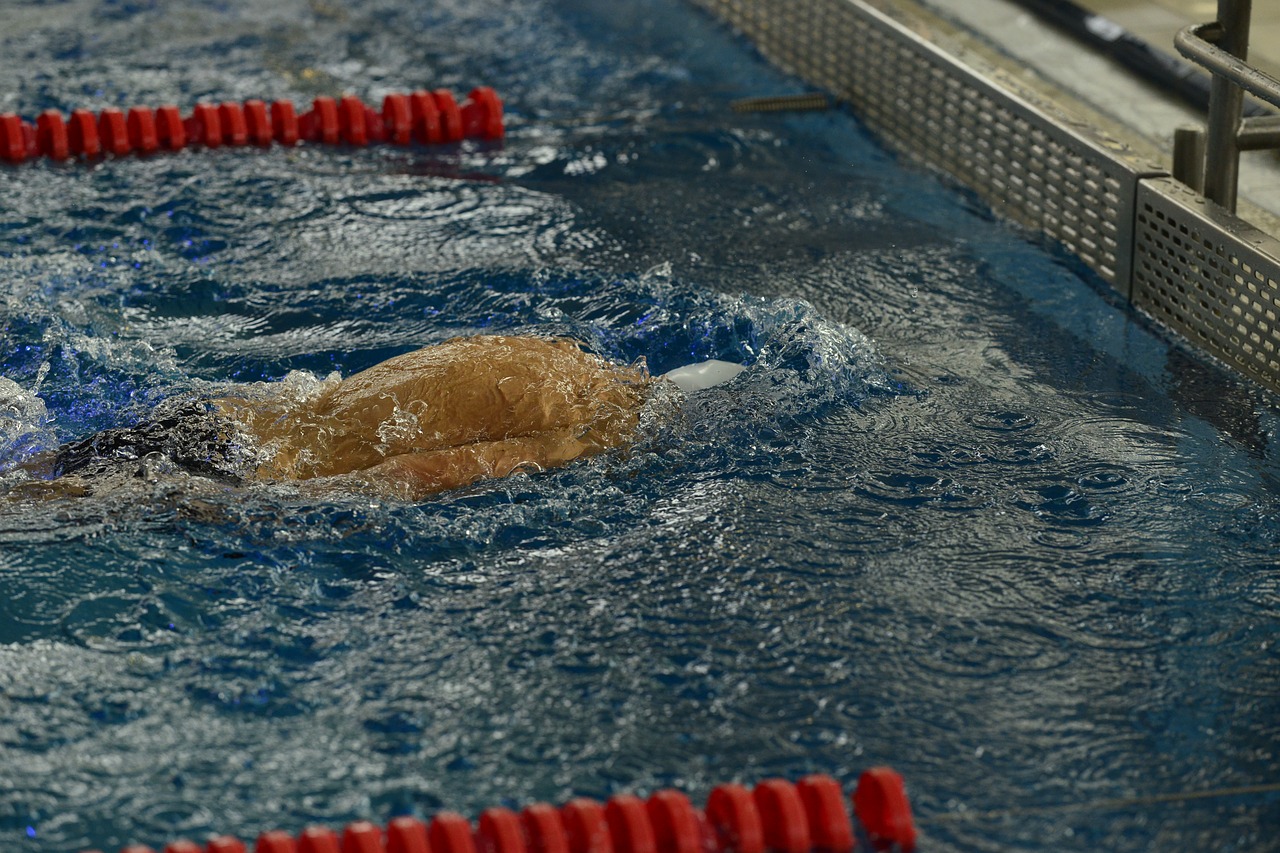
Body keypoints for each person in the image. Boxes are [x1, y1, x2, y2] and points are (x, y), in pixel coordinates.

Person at [20, 335, 743, 499]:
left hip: (217, 420)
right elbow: (420, 472)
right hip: (240, 472)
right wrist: (303, 505)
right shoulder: (593, 430)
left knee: (26, 481)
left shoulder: (556, 353)